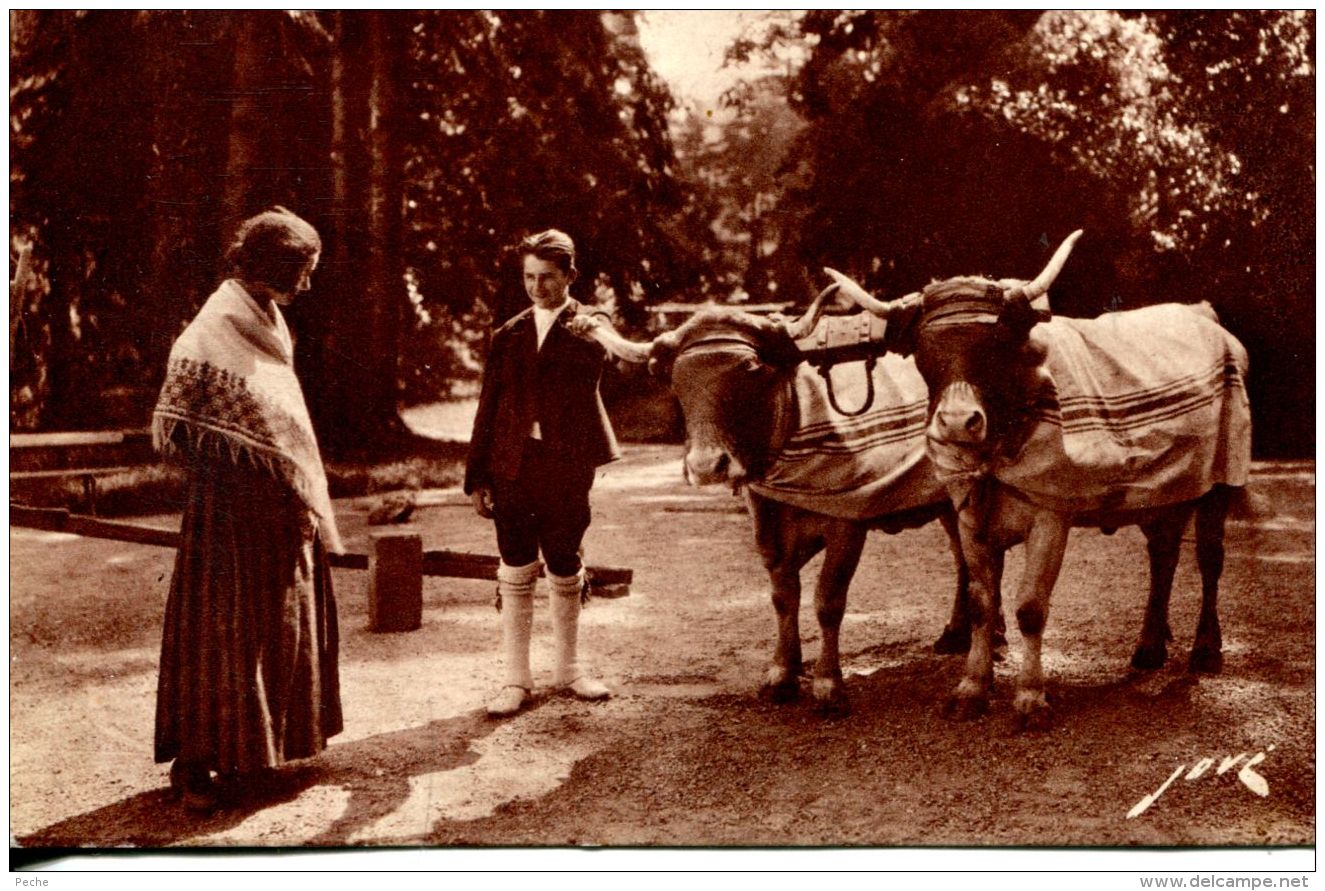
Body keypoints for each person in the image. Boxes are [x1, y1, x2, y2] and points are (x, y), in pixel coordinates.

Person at [152, 207, 343, 810]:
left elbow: (282, 414)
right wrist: (233, 460)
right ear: (273, 266)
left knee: (275, 622)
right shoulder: (216, 322)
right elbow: (176, 418)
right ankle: (197, 765)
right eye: (302, 271)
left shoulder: (268, 319)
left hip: (276, 503)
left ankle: (258, 757)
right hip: (229, 508)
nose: (307, 284)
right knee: (222, 626)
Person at [465, 229, 621, 718]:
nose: (537, 287)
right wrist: (478, 476)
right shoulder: (508, 334)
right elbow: (488, 407)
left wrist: (592, 319)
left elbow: (600, 353)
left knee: (564, 558)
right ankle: (516, 678)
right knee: (514, 562)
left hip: (566, 463)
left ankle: (569, 670)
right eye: (529, 277)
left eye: (548, 278)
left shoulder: (589, 329)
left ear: (571, 277)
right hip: (512, 464)